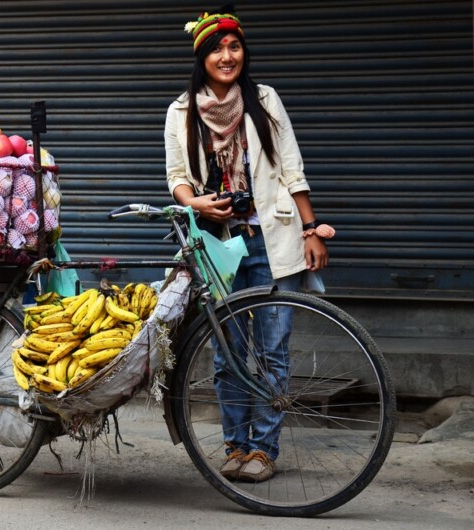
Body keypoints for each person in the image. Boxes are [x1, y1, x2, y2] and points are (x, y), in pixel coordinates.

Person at [164, 5, 333, 482]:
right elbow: (177, 178)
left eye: (234, 46)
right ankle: (236, 446)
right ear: (202, 57)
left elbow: (291, 167)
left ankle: (263, 450)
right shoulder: (180, 112)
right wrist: (197, 205)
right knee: (227, 352)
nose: (227, 55)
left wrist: (310, 228)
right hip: (218, 245)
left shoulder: (265, 100)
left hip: (270, 239)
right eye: (217, 48)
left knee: (274, 349)